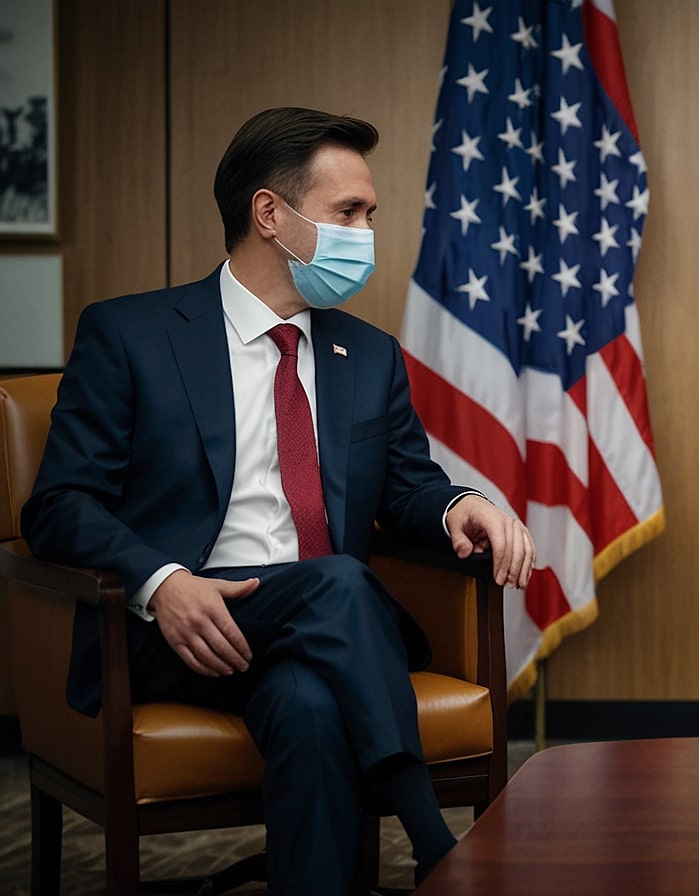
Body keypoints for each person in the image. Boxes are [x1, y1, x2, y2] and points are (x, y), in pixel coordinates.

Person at [22, 107, 536, 892]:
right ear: (270, 213)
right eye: (348, 212)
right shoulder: (130, 335)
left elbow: (408, 487)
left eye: (370, 214)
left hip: (320, 636)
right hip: (179, 630)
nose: (366, 232)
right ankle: (436, 839)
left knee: (310, 707)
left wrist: (457, 506)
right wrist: (164, 583)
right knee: (340, 581)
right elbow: (59, 504)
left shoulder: (369, 354)